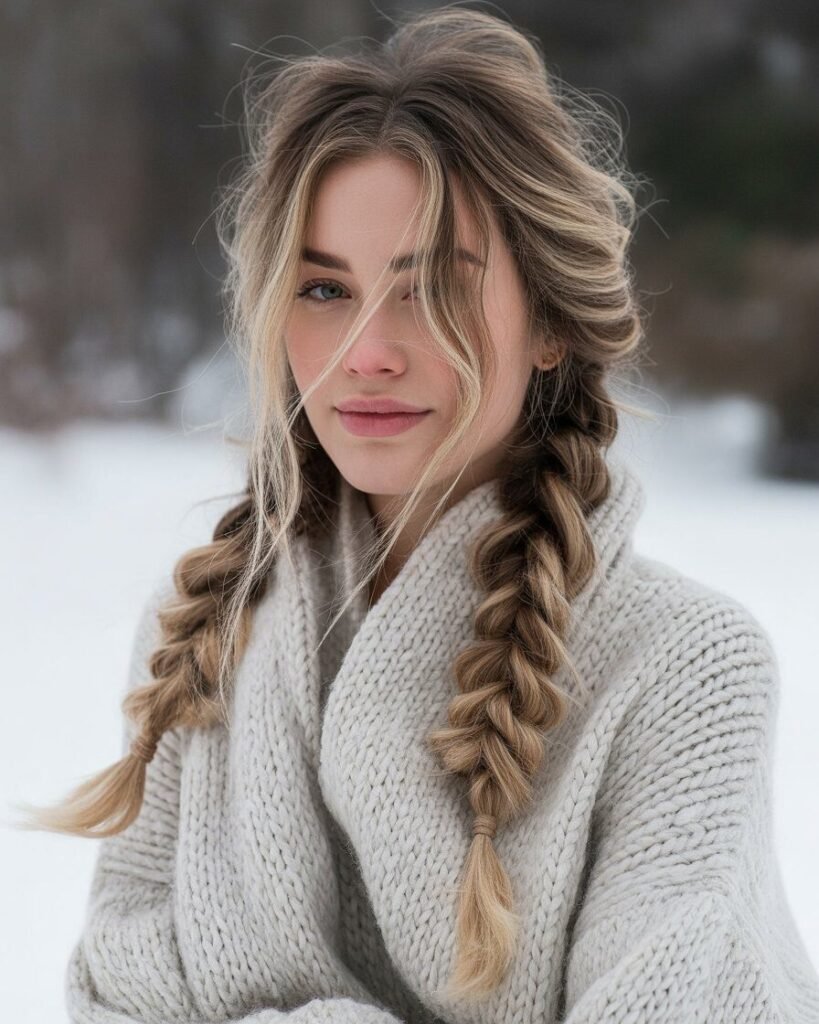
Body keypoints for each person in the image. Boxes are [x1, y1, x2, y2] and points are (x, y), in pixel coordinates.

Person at [13, 7, 819, 1023]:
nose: (366, 351)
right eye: (321, 287)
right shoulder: (204, 633)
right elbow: (111, 999)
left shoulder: (687, 669)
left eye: (432, 287)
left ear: (552, 326)